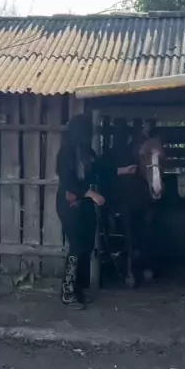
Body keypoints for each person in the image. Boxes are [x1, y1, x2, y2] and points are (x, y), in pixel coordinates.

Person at [56, 114, 135, 308]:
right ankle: (67, 292)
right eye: (86, 130)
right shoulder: (66, 153)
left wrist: (123, 170)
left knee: (87, 246)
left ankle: (79, 289)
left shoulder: (88, 152)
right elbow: (68, 182)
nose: (89, 134)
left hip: (85, 206)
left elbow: (101, 169)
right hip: (70, 205)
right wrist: (91, 194)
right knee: (77, 246)